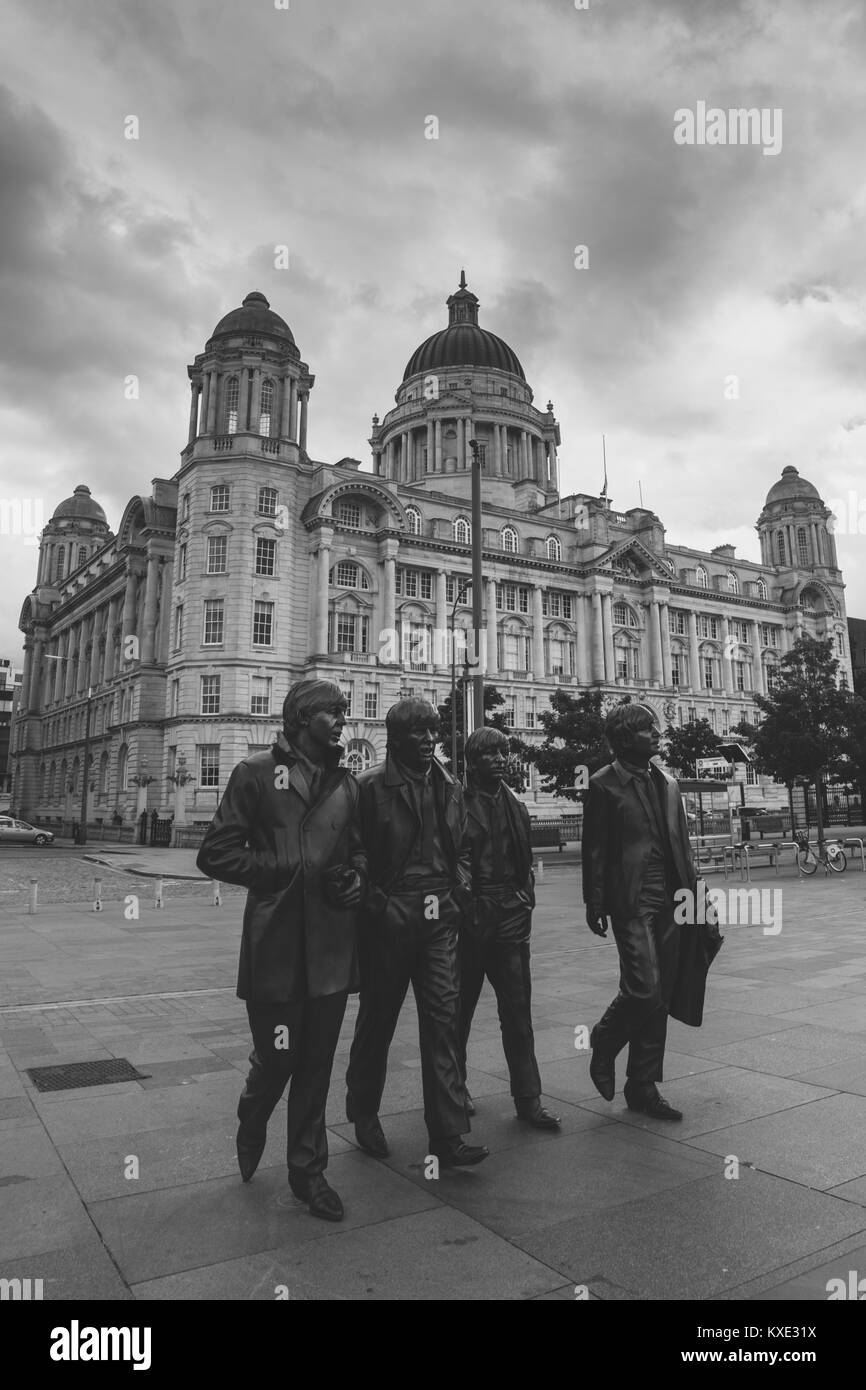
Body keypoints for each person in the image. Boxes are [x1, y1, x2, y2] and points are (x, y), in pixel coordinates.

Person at [196, 679, 365, 1222]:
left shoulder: (347, 782)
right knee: (278, 1058)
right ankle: (253, 1112)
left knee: (316, 1064)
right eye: (332, 711)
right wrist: (280, 870)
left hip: (332, 949)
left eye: (344, 711)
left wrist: (355, 879)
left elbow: (358, 851)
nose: (343, 718)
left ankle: (308, 1173)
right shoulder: (255, 774)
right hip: (276, 944)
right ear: (299, 718)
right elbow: (215, 853)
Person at [345, 698, 488, 1167]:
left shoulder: (449, 787)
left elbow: (463, 850)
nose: (430, 740)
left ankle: (447, 1136)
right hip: (390, 919)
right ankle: (363, 1111)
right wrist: (378, 906)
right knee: (377, 1023)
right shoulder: (366, 788)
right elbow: (353, 855)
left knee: (443, 1024)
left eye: (434, 732)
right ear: (396, 738)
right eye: (419, 733)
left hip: (439, 920)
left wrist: (459, 893)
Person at [582, 703, 697, 1121]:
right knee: (643, 988)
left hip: (671, 894)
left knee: (660, 994)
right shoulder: (603, 784)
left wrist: (696, 892)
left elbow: (682, 843)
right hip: (629, 897)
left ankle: (643, 1085)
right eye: (649, 728)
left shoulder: (668, 782)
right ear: (627, 737)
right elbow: (595, 848)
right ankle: (605, 1040)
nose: (657, 733)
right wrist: (594, 901)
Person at [457, 727, 560, 1129]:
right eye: (490, 754)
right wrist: (469, 904)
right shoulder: (456, 803)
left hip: (511, 918)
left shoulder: (516, 804)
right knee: (457, 1014)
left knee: (518, 1014)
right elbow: (454, 861)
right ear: (472, 761)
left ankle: (528, 1098)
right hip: (472, 920)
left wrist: (524, 899)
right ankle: (456, 1085)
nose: (500, 759)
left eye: (503, 752)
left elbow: (524, 861)